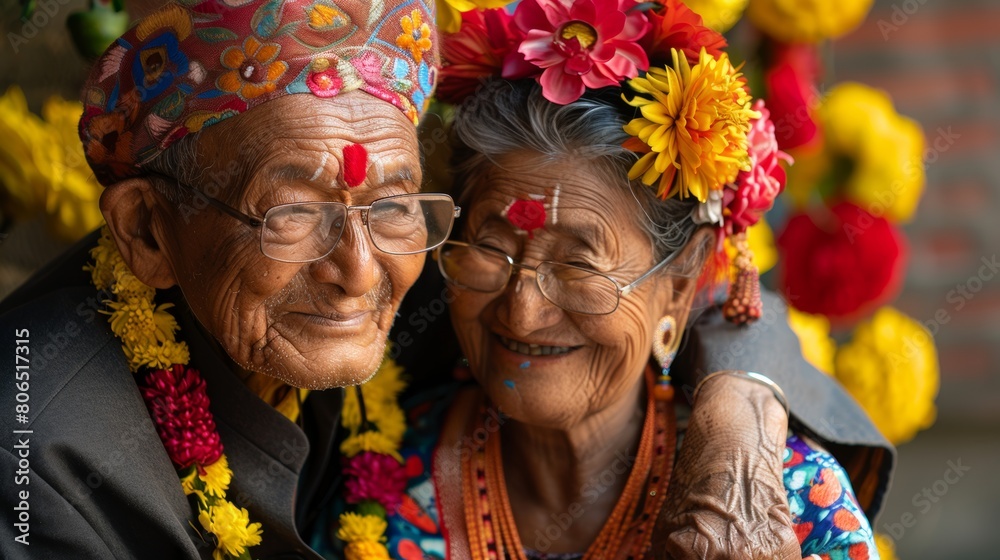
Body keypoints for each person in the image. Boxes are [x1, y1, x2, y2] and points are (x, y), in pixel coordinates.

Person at [0, 2, 888, 560]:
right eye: (290, 212)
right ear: (150, 232)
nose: (356, 273)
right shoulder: (35, 450)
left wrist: (736, 415)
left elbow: (671, 274)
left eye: (393, 203)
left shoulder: (440, 267)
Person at [307, 2, 893, 557]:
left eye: (578, 265)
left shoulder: (782, 514)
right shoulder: (375, 492)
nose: (521, 312)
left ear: (680, 285)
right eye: (490, 248)